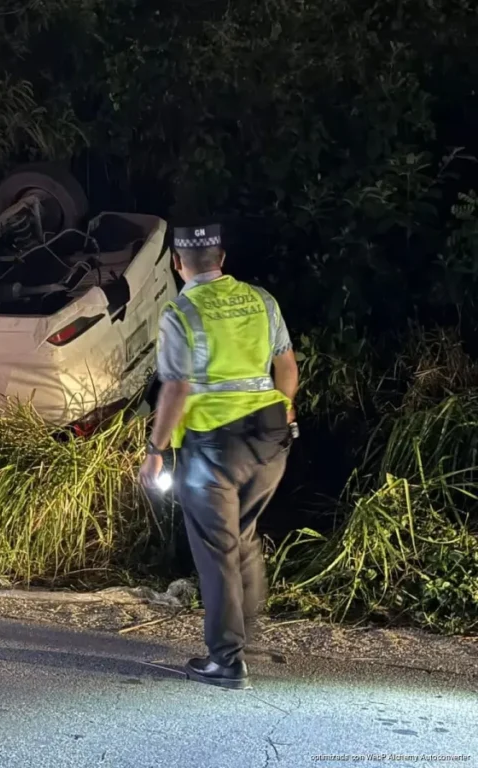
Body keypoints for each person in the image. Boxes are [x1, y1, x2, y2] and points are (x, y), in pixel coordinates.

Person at [138, 222, 299, 690]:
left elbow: (177, 388)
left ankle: (226, 662)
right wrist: (285, 408)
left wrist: (155, 451)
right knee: (242, 536)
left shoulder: (181, 312)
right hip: (270, 439)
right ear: (222, 258)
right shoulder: (261, 300)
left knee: (217, 549)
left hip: (214, 446)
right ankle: (242, 639)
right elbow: (287, 367)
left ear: (177, 263)